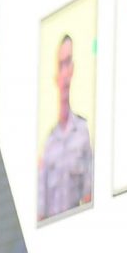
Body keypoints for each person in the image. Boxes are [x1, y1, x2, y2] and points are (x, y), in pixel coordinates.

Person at [38, 32, 93, 222]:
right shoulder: (48, 144)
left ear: (73, 69)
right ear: (55, 75)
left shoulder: (83, 133)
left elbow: (89, 197)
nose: (64, 72)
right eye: (60, 65)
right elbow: (40, 212)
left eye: (68, 63)